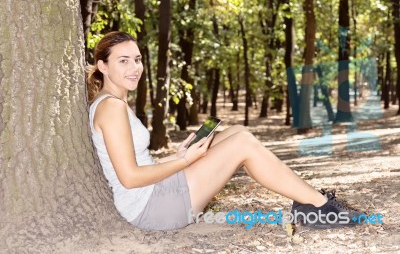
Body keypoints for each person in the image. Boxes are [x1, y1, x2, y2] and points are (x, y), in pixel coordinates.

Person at [87, 31, 361, 231]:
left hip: (153, 192)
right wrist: (184, 162)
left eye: (136, 59)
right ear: (103, 66)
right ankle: (319, 205)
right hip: (153, 208)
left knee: (236, 131)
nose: (135, 68)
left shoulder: (113, 102)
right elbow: (131, 177)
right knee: (242, 143)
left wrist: (176, 156)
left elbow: (135, 163)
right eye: (123, 61)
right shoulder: (112, 108)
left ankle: (308, 202)